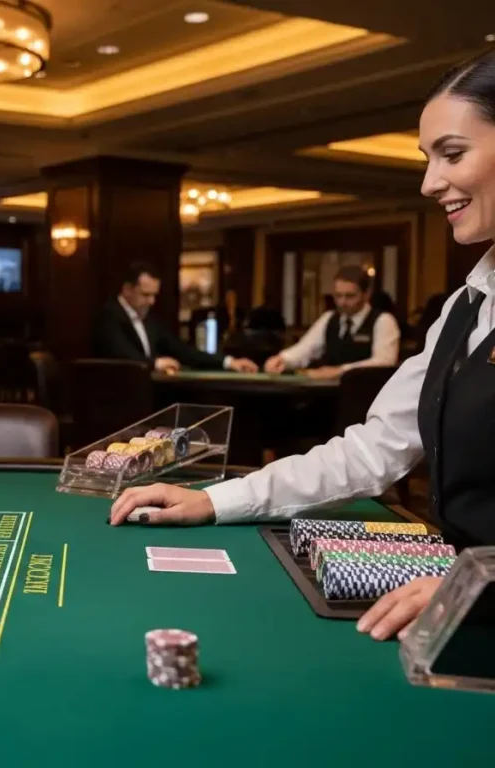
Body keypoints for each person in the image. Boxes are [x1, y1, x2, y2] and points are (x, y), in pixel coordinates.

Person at [108, 49, 495, 642]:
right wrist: (214, 499)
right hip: (450, 616)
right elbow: (372, 452)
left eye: (453, 154)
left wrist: (478, 585)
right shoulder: (465, 306)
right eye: (426, 159)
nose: (428, 182)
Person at [92, 261, 258, 374]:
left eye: (154, 295)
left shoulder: (148, 319)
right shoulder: (109, 316)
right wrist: (155, 364)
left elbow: (181, 350)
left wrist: (228, 362)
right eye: (145, 295)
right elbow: (122, 354)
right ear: (127, 289)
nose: (152, 301)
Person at [264, 266, 401, 379]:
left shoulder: (383, 321)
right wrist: (282, 359)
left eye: (350, 296)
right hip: (330, 395)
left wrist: (340, 370)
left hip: (366, 396)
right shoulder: (329, 318)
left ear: (366, 294)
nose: (342, 302)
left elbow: (384, 362)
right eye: (338, 296)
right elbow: (305, 349)